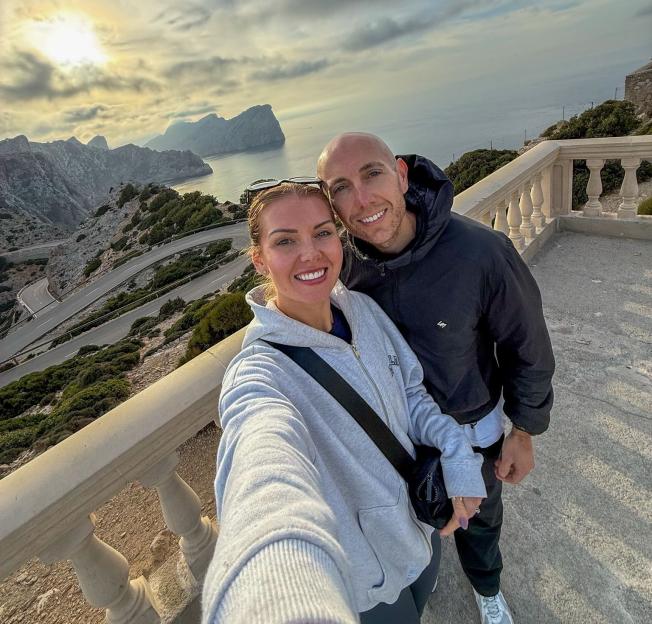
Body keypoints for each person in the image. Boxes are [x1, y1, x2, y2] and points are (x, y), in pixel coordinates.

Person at [202, 182, 487, 624]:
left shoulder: (362, 310)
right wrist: (276, 588)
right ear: (259, 259)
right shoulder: (259, 373)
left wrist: (456, 453)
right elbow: (260, 470)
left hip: (419, 532)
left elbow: (411, 394)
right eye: (285, 241)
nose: (310, 253)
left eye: (322, 232)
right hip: (362, 586)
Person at [317, 133, 555, 624]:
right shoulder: (343, 271)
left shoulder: (481, 252)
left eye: (372, 174)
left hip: (474, 431)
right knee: (414, 520)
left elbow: (526, 347)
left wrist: (525, 430)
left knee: (481, 522)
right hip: (396, 438)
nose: (361, 199)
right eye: (340, 187)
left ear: (402, 174)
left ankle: (487, 587)